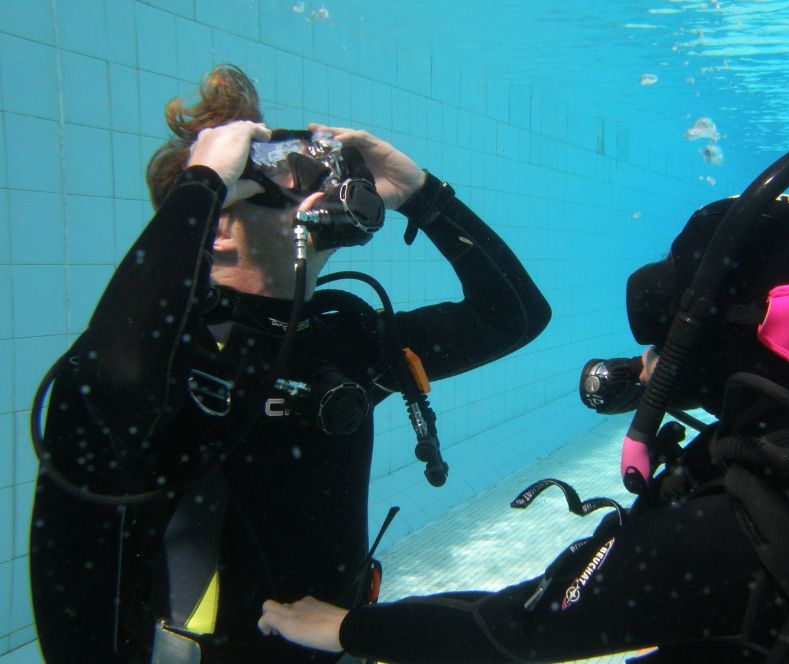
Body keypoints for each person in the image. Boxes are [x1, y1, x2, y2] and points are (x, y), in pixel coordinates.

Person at [257, 129, 789, 663]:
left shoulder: (724, 529)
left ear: (700, 322)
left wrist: (343, 626)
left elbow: (507, 630)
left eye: (674, 303)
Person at [29, 64, 550, 664]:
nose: (326, 188)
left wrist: (425, 196)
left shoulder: (343, 334)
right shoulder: (167, 358)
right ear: (222, 225)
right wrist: (202, 183)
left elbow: (515, 316)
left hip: (336, 643)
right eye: (293, 175)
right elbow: (116, 379)